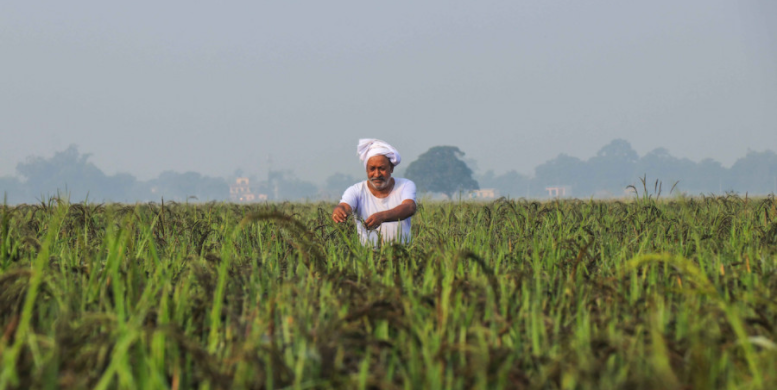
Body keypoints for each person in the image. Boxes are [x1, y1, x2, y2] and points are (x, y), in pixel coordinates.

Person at [332, 139, 417, 245]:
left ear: (391, 169)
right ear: (367, 170)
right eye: (372, 169)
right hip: (368, 256)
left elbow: (409, 207)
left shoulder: (405, 185)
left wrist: (382, 217)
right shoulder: (356, 190)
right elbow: (345, 205)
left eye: (382, 168)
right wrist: (340, 211)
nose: (377, 174)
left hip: (402, 253)